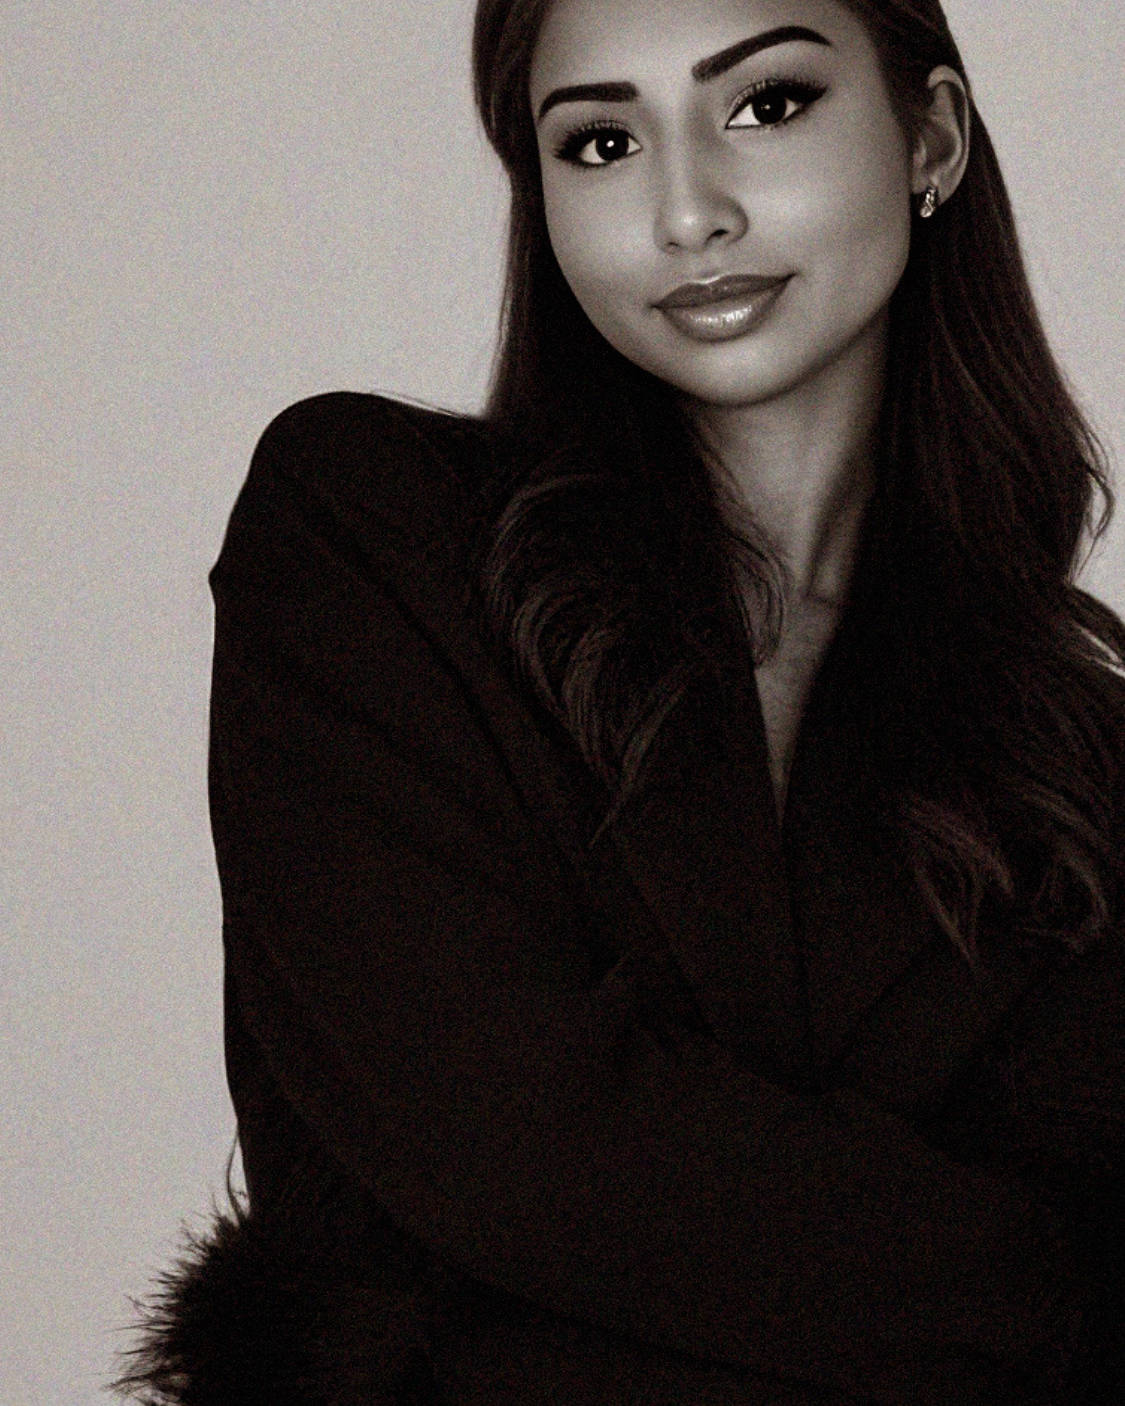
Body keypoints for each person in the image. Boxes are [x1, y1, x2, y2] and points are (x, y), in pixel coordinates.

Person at [115, 0, 1125, 1401]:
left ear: (931, 139)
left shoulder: (1074, 762)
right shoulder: (374, 538)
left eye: (766, 105)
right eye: (599, 141)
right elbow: (496, 1141)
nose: (687, 211)